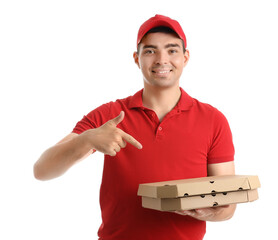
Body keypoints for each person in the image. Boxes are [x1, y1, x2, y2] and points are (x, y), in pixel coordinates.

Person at [34, 14, 236, 240]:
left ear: (185, 57)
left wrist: (207, 213)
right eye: (150, 51)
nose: (161, 59)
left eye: (172, 50)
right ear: (136, 58)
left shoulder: (213, 120)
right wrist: (87, 139)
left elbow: (227, 206)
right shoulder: (111, 115)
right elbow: (42, 170)